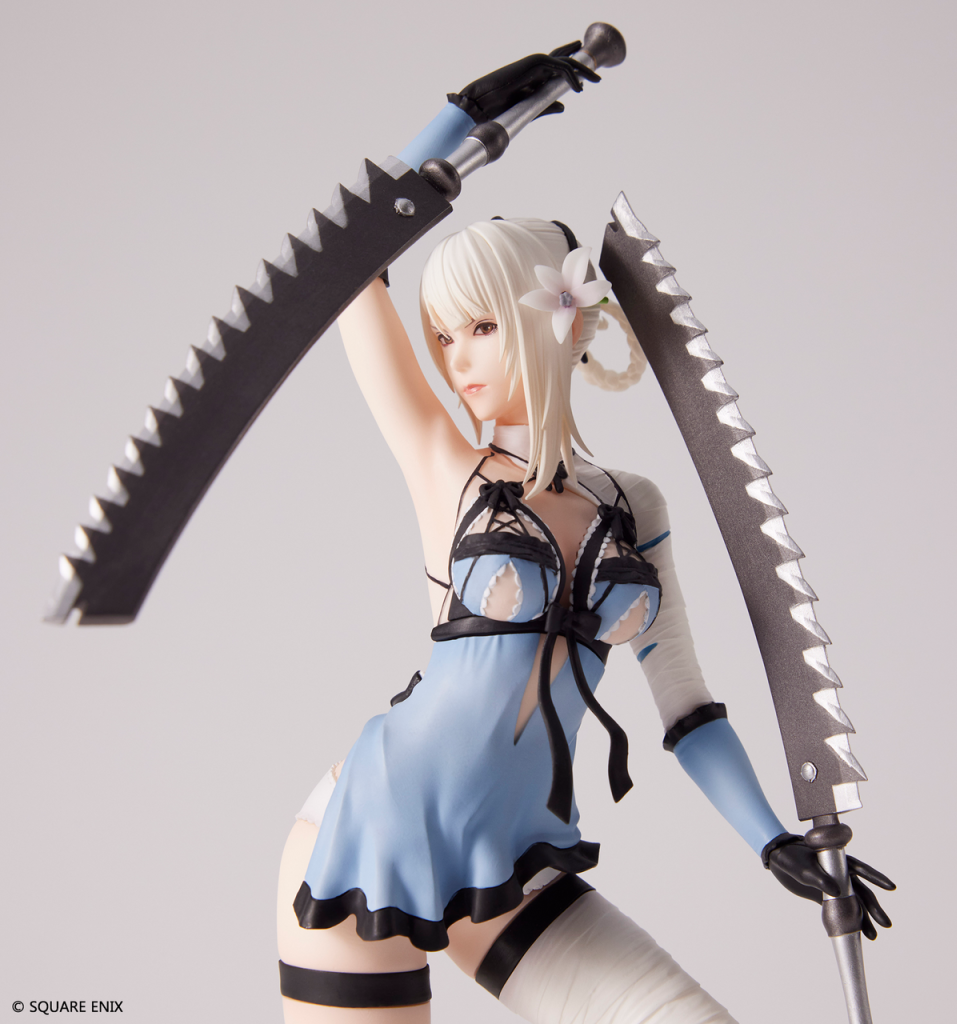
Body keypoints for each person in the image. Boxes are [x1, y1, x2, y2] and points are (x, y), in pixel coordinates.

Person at [274, 216, 892, 1023]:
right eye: (444, 336)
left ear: (559, 319)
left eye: (483, 326)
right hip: (366, 838)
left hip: (512, 862)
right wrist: (443, 153)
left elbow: (689, 710)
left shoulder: (634, 505)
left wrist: (772, 841)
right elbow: (356, 263)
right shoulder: (447, 467)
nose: (457, 359)